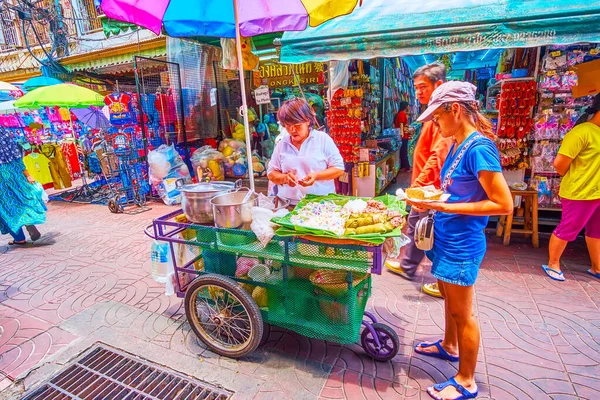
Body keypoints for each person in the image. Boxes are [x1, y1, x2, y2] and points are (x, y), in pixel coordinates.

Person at [408, 81, 513, 400]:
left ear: (455, 110)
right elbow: (459, 189)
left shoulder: (479, 147)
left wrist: (443, 205)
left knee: (462, 313)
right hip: (446, 235)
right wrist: (432, 199)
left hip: (462, 243)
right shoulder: (458, 142)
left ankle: (466, 380)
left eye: (437, 118)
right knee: (448, 301)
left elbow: (503, 204)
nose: (435, 124)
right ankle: (449, 346)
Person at [385, 63, 452, 298]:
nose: (418, 93)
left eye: (423, 87)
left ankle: (445, 281)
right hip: (423, 187)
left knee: (433, 235)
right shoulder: (431, 114)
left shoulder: (442, 116)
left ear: (439, 85)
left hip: (430, 189)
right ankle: (408, 265)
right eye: (416, 88)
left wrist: (417, 188)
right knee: (417, 226)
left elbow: (438, 156)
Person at [542, 93, 600, 282]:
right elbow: (560, 164)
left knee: (596, 230)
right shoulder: (581, 132)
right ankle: (553, 263)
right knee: (569, 228)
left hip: (596, 192)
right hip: (579, 192)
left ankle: (596, 266)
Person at [267, 98, 344, 205]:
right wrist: (285, 178)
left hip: (320, 205)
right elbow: (271, 173)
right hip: (287, 205)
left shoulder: (322, 139)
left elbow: (339, 169)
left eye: (297, 126)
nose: (292, 130)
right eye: (288, 126)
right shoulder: (282, 144)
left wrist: (316, 176)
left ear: (308, 120)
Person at [0, 127, 46, 245]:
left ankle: (19, 237)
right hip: (12, 170)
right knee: (21, 199)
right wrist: (27, 175)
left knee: (6, 208)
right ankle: (28, 221)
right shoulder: (3, 132)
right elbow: (17, 158)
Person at [395, 100, 411, 171]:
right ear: (405, 106)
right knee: (404, 151)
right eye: (407, 106)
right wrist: (402, 133)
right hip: (403, 136)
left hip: (403, 135)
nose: (408, 107)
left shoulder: (400, 113)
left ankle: (403, 166)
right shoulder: (402, 114)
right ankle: (407, 167)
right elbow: (401, 123)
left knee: (402, 151)